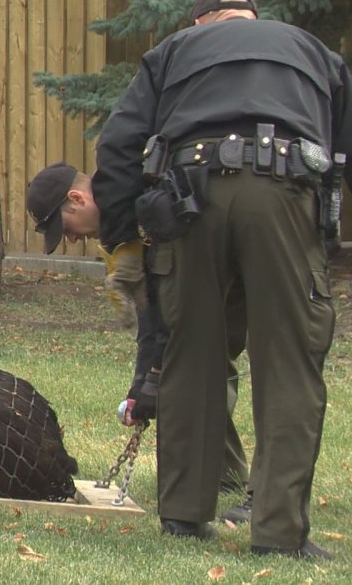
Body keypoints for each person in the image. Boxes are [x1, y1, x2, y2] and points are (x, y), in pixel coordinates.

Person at [89, 0, 352, 560]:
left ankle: (182, 514)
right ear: (254, 17)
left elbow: (120, 146)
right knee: (289, 361)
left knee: (192, 352)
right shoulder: (309, 50)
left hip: (186, 202)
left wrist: (124, 245)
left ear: (202, 20)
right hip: (283, 193)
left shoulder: (176, 50)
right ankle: (278, 533)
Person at [26, 163, 253, 524]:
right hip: (199, 284)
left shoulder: (142, 201)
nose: (71, 239)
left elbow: (170, 309)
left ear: (77, 198)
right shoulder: (115, 235)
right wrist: (141, 384)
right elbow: (151, 314)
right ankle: (225, 474)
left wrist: (156, 374)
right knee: (200, 362)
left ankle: (258, 492)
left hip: (240, 261)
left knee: (196, 362)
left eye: (65, 227)